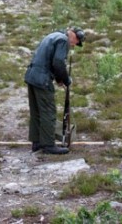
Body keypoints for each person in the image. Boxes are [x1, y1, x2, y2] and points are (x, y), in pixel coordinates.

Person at [24, 27, 85, 155]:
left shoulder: (53, 35)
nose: (74, 44)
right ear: (73, 35)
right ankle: (48, 145)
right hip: (42, 79)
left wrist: (58, 79)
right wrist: (66, 80)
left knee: (37, 111)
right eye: (76, 41)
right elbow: (58, 62)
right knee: (48, 112)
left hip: (32, 76)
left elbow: (50, 60)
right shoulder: (63, 40)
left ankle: (37, 142)